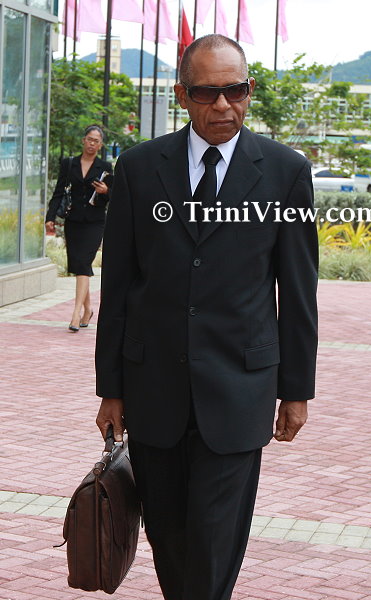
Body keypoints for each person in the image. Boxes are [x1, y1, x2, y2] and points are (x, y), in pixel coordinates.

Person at [95, 34, 318, 600]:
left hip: (240, 390)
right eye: (206, 93)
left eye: (235, 91)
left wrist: (296, 391)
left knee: (215, 542)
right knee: (168, 540)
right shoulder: (139, 169)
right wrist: (111, 389)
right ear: (181, 95)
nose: (223, 105)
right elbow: (118, 286)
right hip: (153, 390)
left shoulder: (286, 172)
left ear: (250, 90)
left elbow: (298, 292)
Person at [45, 125, 113, 332]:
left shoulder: (104, 167)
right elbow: (59, 192)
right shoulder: (69, 164)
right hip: (73, 221)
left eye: (96, 141)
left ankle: (75, 314)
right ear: (84, 140)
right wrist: (50, 217)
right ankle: (88, 309)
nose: (92, 143)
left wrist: (106, 191)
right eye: (89, 139)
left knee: (83, 264)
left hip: (95, 222)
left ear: (100, 145)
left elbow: (115, 195)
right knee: (78, 266)